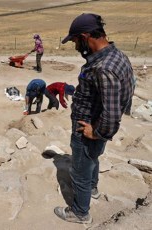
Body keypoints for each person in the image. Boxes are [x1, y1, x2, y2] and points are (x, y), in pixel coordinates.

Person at [54, 13, 134, 224]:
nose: (75, 45)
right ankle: (93, 188)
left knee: (80, 171)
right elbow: (126, 95)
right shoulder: (117, 56)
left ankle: (80, 213)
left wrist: (96, 131)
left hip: (87, 129)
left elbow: (113, 111)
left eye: (75, 41)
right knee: (92, 159)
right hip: (95, 124)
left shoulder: (103, 68)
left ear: (85, 36)